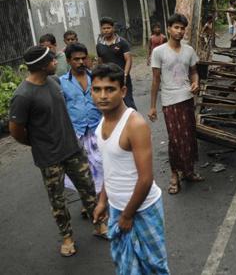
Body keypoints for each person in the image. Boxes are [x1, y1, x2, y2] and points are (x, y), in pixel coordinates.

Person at [9, 45, 107, 257]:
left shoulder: (54, 82)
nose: (56, 62)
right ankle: (67, 238)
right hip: (49, 157)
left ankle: (99, 225)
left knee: (88, 188)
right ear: (42, 65)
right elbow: (15, 131)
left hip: (73, 148)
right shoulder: (23, 95)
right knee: (58, 201)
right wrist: (37, 143)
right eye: (53, 60)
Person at [91, 63, 168, 274]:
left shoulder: (135, 124)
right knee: (124, 264)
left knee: (154, 266)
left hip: (142, 209)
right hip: (117, 207)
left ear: (123, 91)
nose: (103, 96)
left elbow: (145, 179)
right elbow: (110, 169)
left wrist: (127, 215)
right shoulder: (101, 123)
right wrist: (102, 201)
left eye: (110, 89)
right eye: (97, 89)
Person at [148, 13, 203, 195]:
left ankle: (188, 171)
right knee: (175, 139)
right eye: (176, 27)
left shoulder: (189, 50)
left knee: (188, 136)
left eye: (182, 28)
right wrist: (152, 106)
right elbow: (155, 80)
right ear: (169, 29)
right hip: (170, 101)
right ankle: (174, 175)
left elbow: (194, 71)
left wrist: (196, 83)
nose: (179, 31)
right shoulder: (159, 52)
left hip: (187, 98)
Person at [60, 43, 104, 216]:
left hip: (97, 129)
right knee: (83, 172)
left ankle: (101, 203)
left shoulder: (96, 78)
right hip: (76, 133)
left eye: (83, 58)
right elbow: (62, 108)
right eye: (76, 59)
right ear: (69, 61)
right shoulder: (62, 82)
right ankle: (89, 202)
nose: (80, 62)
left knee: (101, 167)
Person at [96, 16, 136, 110]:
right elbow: (100, 63)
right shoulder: (99, 45)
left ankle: (134, 122)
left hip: (122, 78)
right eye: (104, 28)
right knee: (112, 104)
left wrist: (125, 75)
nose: (106, 30)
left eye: (108, 28)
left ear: (113, 28)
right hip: (108, 79)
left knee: (128, 102)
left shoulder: (122, 42)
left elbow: (128, 60)